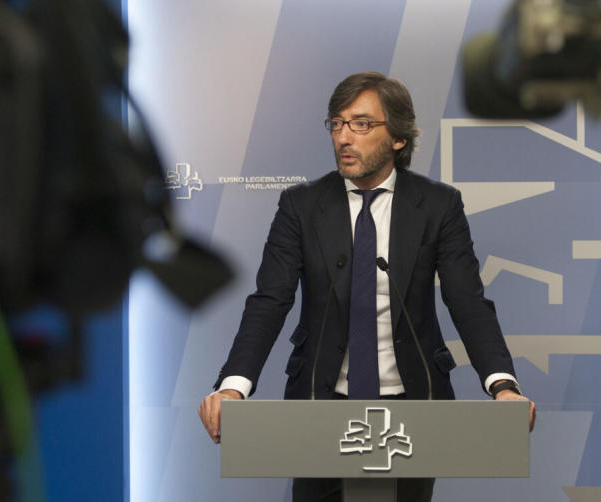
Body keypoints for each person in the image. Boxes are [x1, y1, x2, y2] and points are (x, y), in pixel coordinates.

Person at [198, 72, 536, 501]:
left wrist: (503, 386)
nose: (344, 137)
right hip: (322, 402)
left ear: (397, 137)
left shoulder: (437, 206)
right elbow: (270, 300)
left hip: (413, 405)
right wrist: (234, 384)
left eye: (361, 124)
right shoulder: (301, 206)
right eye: (336, 124)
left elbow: (466, 300)